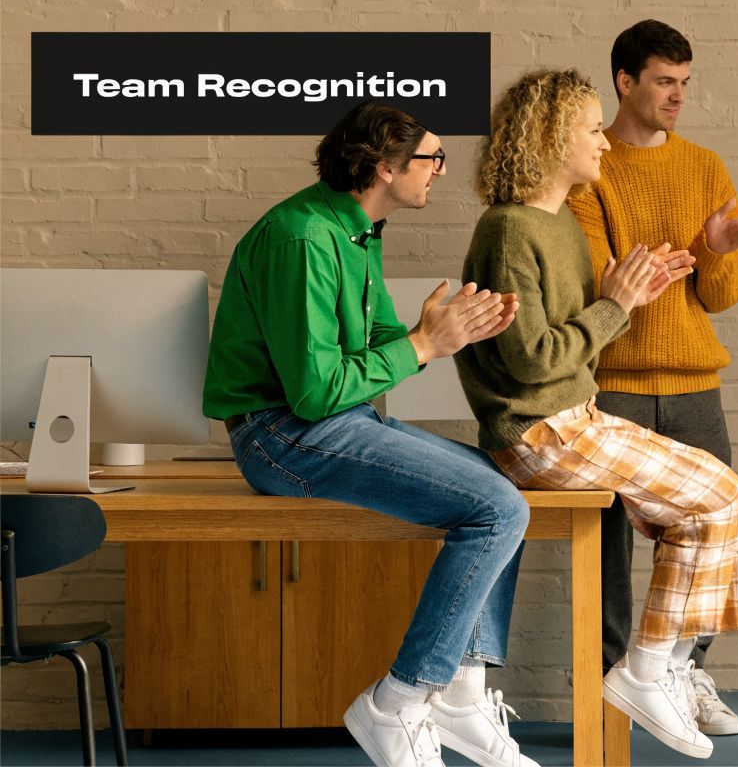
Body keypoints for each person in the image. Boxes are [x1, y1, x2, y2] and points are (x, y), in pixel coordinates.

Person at [202, 101, 541, 767]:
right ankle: (398, 699)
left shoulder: (355, 229)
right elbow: (315, 391)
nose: (441, 171)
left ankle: (463, 696)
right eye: (431, 158)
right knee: (498, 509)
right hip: (283, 436)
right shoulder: (301, 238)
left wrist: (449, 331)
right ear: (386, 166)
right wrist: (421, 343)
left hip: (334, 425)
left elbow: (380, 345)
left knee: (499, 485)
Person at [454, 68, 738, 760]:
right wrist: (617, 304)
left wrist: (635, 293)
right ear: (554, 137)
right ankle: (648, 672)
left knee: (716, 503)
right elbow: (533, 361)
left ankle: (656, 670)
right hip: (539, 431)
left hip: (570, 417)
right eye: (593, 129)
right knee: (721, 497)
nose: (604, 142)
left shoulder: (555, 223)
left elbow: (575, 339)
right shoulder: (509, 231)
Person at [566, 18, 738, 737]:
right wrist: (669, 259)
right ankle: (615, 682)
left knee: (712, 526)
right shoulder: (592, 165)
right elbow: (598, 280)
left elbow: (721, 295)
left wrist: (712, 252)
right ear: (625, 81)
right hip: (612, 380)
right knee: (608, 542)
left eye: (685, 83)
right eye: (663, 82)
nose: (677, 96)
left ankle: (683, 671)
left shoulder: (706, 166)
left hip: (692, 383)